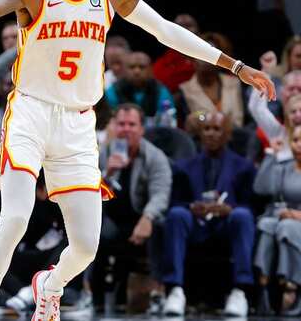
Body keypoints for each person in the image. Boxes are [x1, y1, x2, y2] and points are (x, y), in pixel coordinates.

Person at [0, 0, 275, 321]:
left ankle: (50, 285)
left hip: (78, 122)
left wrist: (236, 65)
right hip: (31, 113)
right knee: (16, 219)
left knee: (85, 246)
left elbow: (166, 31)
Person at [163, 111, 256, 317]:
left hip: (227, 225)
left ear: (227, 134)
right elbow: (175, 202)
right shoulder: (184, 167)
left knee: (242, 216)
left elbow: (252, 205)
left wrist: (230, 208)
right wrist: (192, 207)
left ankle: (240, 291)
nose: (211, 134)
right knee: (177, 214)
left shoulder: (244, 167)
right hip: (196, 224)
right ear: (200, 133)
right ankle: (175, 291)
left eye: (217, 129)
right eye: (207, 129)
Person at [90, 103, 172, 312]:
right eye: (121, 124)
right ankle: (94, 298)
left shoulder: (155, 157)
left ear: (142, 129)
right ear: (113, 127)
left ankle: (156, 293)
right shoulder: (99, 153)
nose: (126, 129)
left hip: (138, 218)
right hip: (108, 218)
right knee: (94, 231)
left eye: (132, 124)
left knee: (157, 227)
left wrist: (148, 218)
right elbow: (87, 194)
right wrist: (107, 174)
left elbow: (161, 194)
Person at [254, 124, 301, 315]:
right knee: (266, 225)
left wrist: (297, 215)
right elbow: (261, 189)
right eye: (296, 140)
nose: (299, 145)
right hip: (284, 219)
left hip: (294, 222)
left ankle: (293, 286)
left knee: (287, 227)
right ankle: (264, 284)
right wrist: (270, 157)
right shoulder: (286, 167)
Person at [177, 32, 244, 127]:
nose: (205, 59)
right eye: (200, 54)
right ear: (192, 58)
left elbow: (248, 121)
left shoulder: (235, 83)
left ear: (223, 62)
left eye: (210, 55)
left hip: (238, 139)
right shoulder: (184, 90)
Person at [105, 51, 175, 125]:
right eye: (132, 67)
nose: (137, 71)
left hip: (154, 134)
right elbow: (108, 121)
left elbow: (168, 121)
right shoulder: (113, 91)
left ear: (150, 69)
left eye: (142, 67)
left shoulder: (161, 91)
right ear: (124, 70)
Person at [152, 14, 200, 93]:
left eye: (189, 25)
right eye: (179, 26)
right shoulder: (161, 64)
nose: (184, 29)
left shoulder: (210, 57)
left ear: (198, 30)